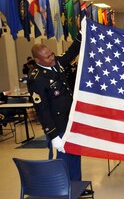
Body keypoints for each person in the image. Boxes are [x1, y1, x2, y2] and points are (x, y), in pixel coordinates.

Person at [27, 34, 85, 186]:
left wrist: (81, 34)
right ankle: (64, 193)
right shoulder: (37, 78)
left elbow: (72, 52)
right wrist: (53, 135)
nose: (51, 58)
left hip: (70, 120)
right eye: (47, 57)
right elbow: (42, 110)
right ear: (37, 60)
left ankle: (76, 186)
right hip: (57, 125)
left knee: (75, 154)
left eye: (51, 54)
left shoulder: (57, 63)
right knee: (63, 160)